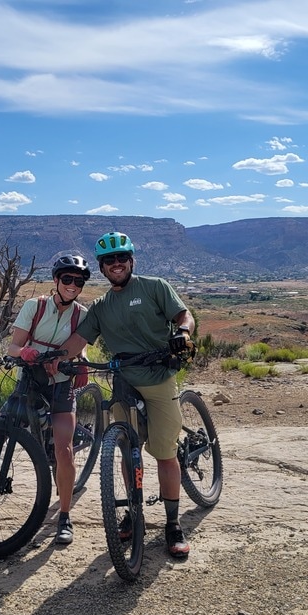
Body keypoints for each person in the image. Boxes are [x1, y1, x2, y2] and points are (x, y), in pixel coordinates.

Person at [53, 231, 196, 559]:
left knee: (165, 453)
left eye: (121, 258)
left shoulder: (155, 287)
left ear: (131, 261)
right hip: (123, 383)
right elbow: (79, 340)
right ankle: (134, 511)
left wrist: (183, 332)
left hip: (159, 378)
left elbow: (183, 315)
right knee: (128, 451)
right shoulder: (101, 307)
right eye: (109, 260)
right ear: (102, 267)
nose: (116, 264)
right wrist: (55, 358)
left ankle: (172, 524)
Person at [0, 252, 92, 545]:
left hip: (60, 385)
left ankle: (64, 516)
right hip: (29, 382)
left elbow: (80, 345)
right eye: (67, 278)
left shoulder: (82, 314)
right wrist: (26, 352)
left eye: (79, 281)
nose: (73, 284)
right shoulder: (36, 307)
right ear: (56, 280)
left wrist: (82, 362)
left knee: (64, 450)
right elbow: (13, 348)